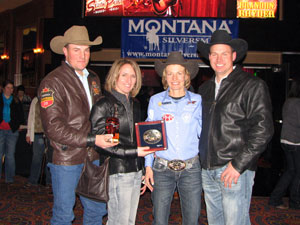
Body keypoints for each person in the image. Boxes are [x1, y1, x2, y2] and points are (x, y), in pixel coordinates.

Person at [38, 25, 117, 225]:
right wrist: (93, 139)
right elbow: (54, 128)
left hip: (93, 156)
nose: (83, 55)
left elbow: (96, 114)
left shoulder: (93, 79)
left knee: (96, 210)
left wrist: (110, 125)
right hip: (66, 158)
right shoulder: (52, 82)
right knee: (64, 215)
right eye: (76, 49)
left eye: (86, 50)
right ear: (65, 51)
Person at [197, 30, 274, 225]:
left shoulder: (252, 85)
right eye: (214, 53)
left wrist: (238, 164)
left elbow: (263, 129)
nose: (219, 58)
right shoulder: (204, 89)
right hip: (207, 169)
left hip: (233, 169)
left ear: (233, 56)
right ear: (209, 57)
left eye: (224, 53)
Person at [90, 58, 155, 225]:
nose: (129, 80)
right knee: (119, 222)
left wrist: (141, 168)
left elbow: (136, 139)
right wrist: (136, 153)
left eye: (133, 76)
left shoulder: (135, 104)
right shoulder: (104, 105)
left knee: (128, 221)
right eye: (124, 75)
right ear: (115, 77)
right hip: (117, 170)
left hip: (134, 170)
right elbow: (104, 145)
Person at [144, 51, 202, 225]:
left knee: (192, 220)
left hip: (191, 169)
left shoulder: (198, 101)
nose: (174, 78)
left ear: (186, 76)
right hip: (162, 169)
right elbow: (150, 135)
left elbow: (204, 133)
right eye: (170, 73)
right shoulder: (155, 101)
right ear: (165, 77)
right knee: (159, 221)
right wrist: (148, 166)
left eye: (179, 73)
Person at [268, 79, 300, 210]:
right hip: (296, 141)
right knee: (297, 173)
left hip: (285, 139)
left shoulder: (288, 101)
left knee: (291, 171)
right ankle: (295, 202)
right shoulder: (298, 103)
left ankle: (275, 198)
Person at [0, 80, 24, 183]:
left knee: (10, 155)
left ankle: (9, 178)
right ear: (3, 88)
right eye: (8, 87)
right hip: (0, 129)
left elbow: (21, 115)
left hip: (12, 131)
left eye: (11, 88)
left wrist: (18, 125)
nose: (10, 90)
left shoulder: (16, 100)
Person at [24, 96, 51, 187]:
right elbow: (31, 117)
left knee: (49, 159)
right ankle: (33, 180)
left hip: (49, 134)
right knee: (36, 158)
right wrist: (28, 133)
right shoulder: (35, 100)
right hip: (37, 133)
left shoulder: (52, 98)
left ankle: (49, 182)